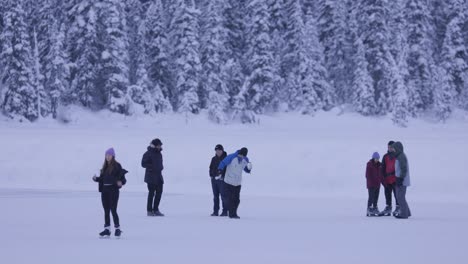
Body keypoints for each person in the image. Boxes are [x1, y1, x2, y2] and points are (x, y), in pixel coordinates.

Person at [92, 148, 128, 237]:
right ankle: (107, 229)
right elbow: (103, 179)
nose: (107, 157)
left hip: (113, 191)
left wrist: (121, 183)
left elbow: (123, 179)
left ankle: (117, 229)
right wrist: (96, 179)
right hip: (105, 191)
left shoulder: (117, 166)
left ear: (113, 156)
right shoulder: (104, 167)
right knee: (106, 210)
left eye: (109, 155)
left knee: (113, 210)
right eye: (106, 155)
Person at [218, 147, 252, 219]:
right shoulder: (231, 156)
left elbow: (245, 168)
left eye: (243, 156)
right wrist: (220, 169)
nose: (242, 157)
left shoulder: (245, 159)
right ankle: (232, 214)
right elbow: (223, 162)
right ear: (239, 153)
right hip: (228, 182)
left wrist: (248, 170)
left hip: (237, 183)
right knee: (230, 199)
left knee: (237, 200)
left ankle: (233, 213)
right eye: (241, 155)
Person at [142, 138, 165, 217]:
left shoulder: (159, 154)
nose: (160, 146)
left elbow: (160, 163)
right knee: (151, 193)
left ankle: (156, 209)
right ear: (154, 145)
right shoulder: (147, 153)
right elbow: (143, 164)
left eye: (160, 145)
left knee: (159, 193)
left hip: (159, 176)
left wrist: (161, 167)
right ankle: (149, 210)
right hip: (151, 177)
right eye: (159, 145)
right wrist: (152, 167)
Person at [380, 141, 399, 216]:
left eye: (391, 147)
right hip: (387, 179)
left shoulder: (397, 156)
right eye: (388, 147)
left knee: (396, 194)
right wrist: (383, 179)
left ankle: (398, 207)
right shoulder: (385, 156)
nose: (389, 148)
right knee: (387, 194)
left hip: (395, 179)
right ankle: (388, 207)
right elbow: (382, 168)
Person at [393, 142, 412, 219]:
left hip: (402, 180)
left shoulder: (401, 156)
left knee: (400, 197)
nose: (393, 150)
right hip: (400, 179)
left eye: (394, 148)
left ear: (398, 148)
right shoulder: (399, 156)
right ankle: (407, 212)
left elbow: (404, 169)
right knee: (400, 197)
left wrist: (400, 179)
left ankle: (404, 214)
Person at [209, 144, 228, 216]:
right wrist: (211, 175)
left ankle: (225, 211)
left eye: (219, 150)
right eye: (216, 150)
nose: (218, 152)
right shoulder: (214, 159)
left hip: (222, 180)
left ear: (222, 150)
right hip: (214, 180)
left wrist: (222, 176)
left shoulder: (226, 158)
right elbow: (210, 168)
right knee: (215, 196)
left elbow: (228, 169)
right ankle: (215, 211)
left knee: (224, 196)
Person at [366, 152, 383, 217]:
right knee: (371, 197)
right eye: (376, 158)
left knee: (376, 197)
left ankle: (375, 208)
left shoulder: (380, 165)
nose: (377, 159)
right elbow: (367, 175)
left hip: (377, 184)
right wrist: (371, 181)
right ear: (373, 158)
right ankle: (369, 209)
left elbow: (381, 174)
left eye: (378, 158)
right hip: (371, 184)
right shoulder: (369, 164)